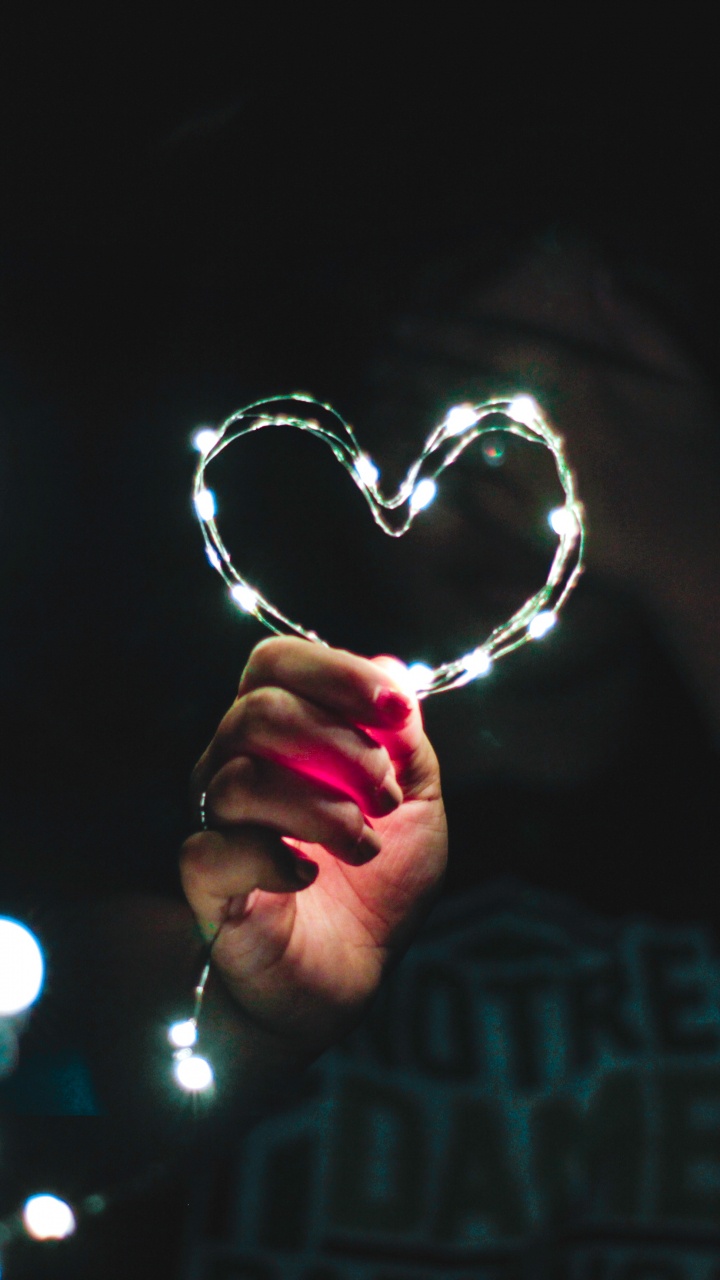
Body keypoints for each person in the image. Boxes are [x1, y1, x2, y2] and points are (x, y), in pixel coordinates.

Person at [172, 232, 720, 1279]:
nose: (500, 493)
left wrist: (699, 551)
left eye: (596, 406)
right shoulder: (209, 766)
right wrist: (248, 1030)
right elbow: (66, 1119)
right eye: (453, 399)